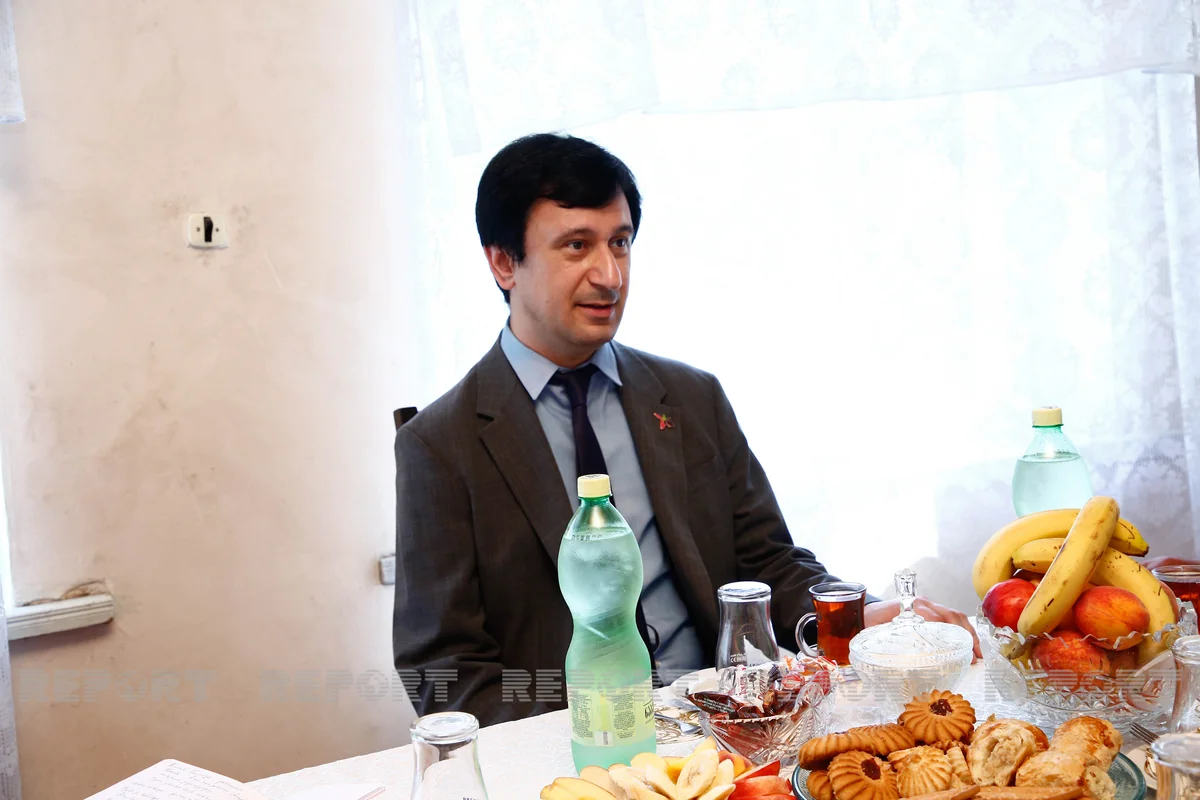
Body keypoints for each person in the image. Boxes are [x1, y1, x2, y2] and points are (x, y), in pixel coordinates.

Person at [392, 132, 979, 726]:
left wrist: (855, 620)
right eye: (576, 246)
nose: (609, 275)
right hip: (578, 747)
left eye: (620, 243)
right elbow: (444, 669)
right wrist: (594, 737)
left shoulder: (690, 398)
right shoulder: (441, 445)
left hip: (726, 726)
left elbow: (767, 561)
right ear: (503, 262)